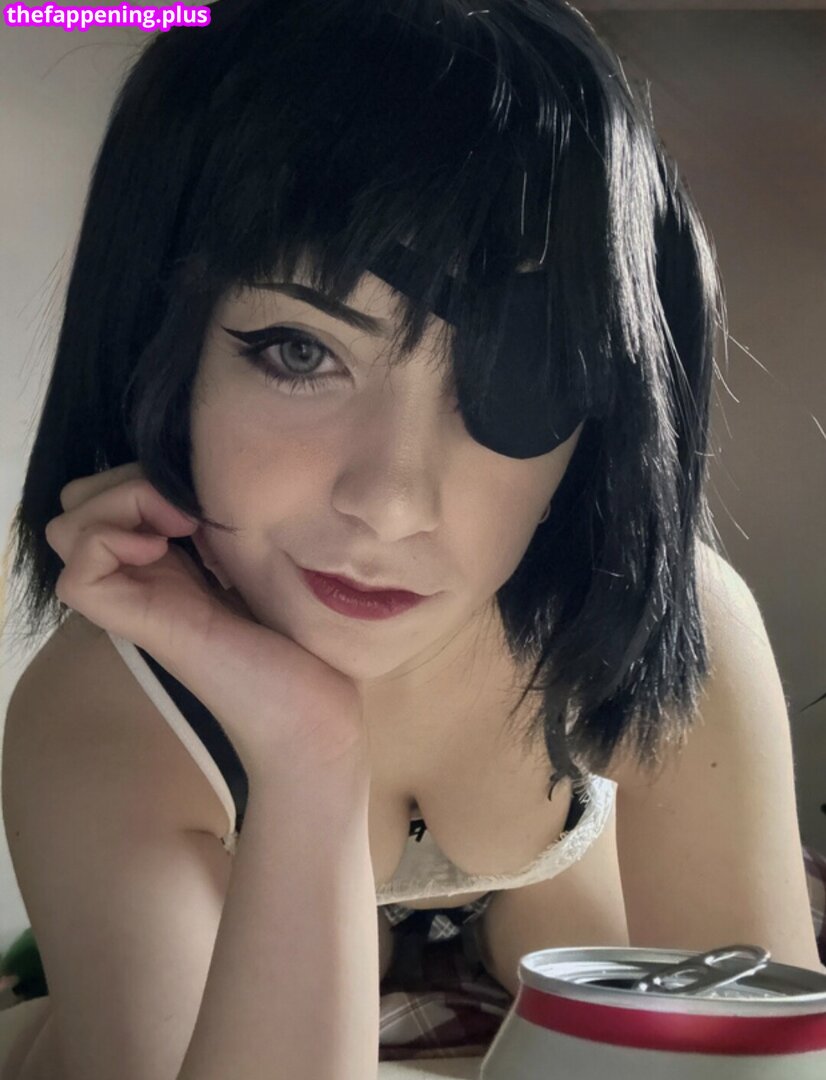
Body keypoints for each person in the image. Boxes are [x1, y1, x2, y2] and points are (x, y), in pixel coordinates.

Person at [1, 1, 821, 1077]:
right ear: (159, 344)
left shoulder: (666, 622)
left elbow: (751, 1059)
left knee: (580, 941)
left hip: (541, 940)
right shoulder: (107, 709)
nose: (391, 502)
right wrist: (306, 752)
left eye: (514, 378)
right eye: (299, 353)